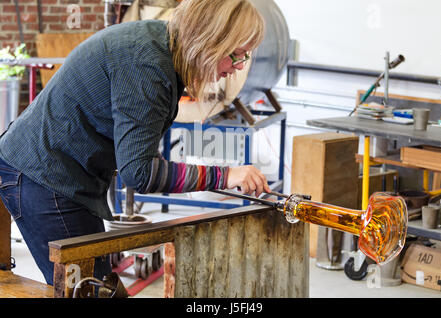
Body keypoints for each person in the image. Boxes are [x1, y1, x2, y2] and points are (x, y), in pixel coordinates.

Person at [0, 0, 269, 286]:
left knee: (100, 285)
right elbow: (139, 173)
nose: (236, 68)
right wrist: (225, 175)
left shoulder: (162, 46)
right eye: (235, 56)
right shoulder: (148, 64)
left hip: (61, 172)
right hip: (43, 175)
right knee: (91, 291)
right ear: (210, 40)